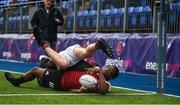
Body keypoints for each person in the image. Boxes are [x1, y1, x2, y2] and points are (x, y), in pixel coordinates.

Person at [33, 27, 115, 69]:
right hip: (74, 57)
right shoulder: (54, 68)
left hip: (68, 55)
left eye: (49, 62)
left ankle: (42, 43)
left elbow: (54, 60)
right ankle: (97, 45)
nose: (50, 64)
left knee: (63, 64)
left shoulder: (58, 58)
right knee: (85, 53)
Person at [4, 64, 119, 94]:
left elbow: (103, 91)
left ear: (111, 77)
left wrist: (100, 72)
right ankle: (43, 79)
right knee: (45, 67)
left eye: (110, 71)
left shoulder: (106, 84)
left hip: (61, 81)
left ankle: (17, 82)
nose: (107, 69)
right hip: (63, 73)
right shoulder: (95, 69)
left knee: (35, 70)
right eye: (108, 67)